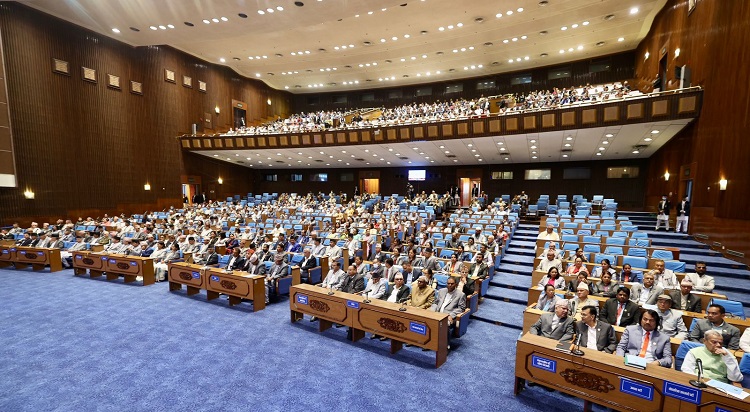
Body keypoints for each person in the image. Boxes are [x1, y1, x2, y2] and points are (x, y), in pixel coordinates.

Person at [432, 277, 466, 349]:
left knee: (445, 323)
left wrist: (451, 315)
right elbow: (435, 302)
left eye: (452, 284)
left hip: (448, 316)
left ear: (455, 284)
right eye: (448, 283)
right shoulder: (441, 291)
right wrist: (431, 311)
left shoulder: (460, 294)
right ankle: (429, 342)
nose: (450, 285)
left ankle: (445, 345)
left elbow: (461, 308)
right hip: (437, 313)